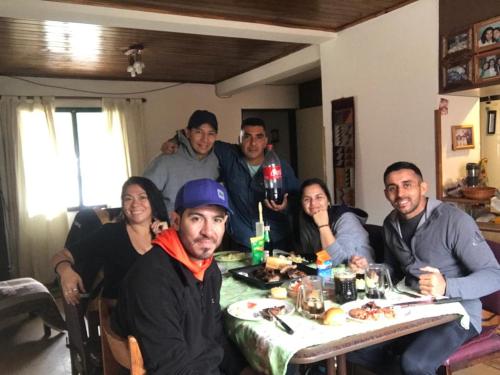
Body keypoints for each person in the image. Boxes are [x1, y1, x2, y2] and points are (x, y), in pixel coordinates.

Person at [347, 161, 500, 375]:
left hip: (457, 313)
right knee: (357, 350)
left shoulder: (455, 221)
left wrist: (446, 286)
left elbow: (494, 276)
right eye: (392, 188)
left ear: (423, 187)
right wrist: (370, 269)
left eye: (407, 184)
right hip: (412, 307)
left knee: (414, 363)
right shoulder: (391, 224)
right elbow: (393, 269)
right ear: (386, 193)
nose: (400, 193)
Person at [112, 179, 252, 374]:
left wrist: (242, 369)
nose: (208, 231)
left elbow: (214, 333)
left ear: (225, 223)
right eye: (196, 218)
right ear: (176, 221)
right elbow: (170, 366)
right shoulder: (152, 279)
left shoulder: (209, 269)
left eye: (217, 220)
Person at [162, 117, 300, 251]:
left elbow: (299, 201)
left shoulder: (281, 167)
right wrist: (175, 140)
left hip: (277, 240)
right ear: (239, 139)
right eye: (247, 136)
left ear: (265, 141)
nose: (253, 143)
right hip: (242, 242)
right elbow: (202, 139)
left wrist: (285, 206)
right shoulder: (228, 155)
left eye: (258, 137)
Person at [52, 176, 169, 305]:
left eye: (142, 197)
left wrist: (168, 239)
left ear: (153, 201)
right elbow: (61, 255)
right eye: (128, 199)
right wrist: (65, 271)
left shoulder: (166, 234)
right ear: (123, 205)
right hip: (123, 312)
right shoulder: (110, 233)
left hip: (163, 309)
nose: (135, 204)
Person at [144, 109, 219, 214]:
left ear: (216, 136)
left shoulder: (218, 160)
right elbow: (142, 193)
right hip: (170, 228)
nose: (204, 139)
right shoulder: (167, 159)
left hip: (204, 228)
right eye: (198, 132)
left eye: (210, 133)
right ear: (188, 133)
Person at [297, 178, 374, 265]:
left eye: (319, 197)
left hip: (364, 274)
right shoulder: (307, 220)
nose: (313, 203)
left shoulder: (346, 219)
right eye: (307, 199)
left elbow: (338, 262)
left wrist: (323, 226)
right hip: (329, 275)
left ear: (328, 201)